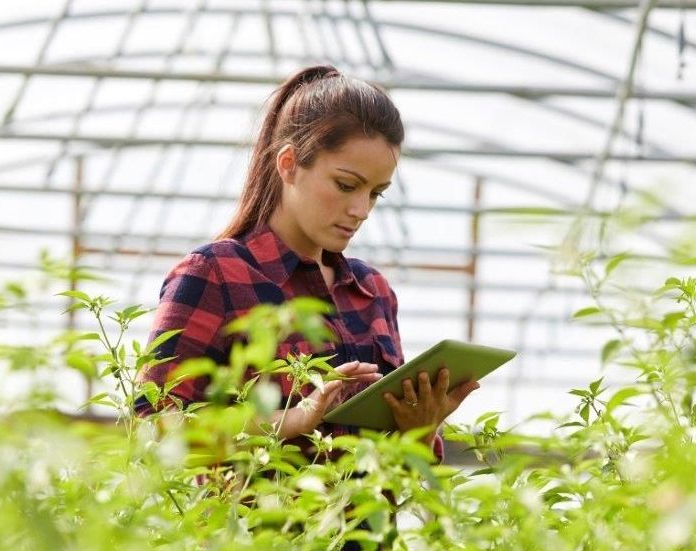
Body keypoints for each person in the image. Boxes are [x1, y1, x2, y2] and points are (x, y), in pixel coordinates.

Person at [134, 63, 479, 465]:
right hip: (246, 527)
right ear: (289, 164)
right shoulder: (216, 274)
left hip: (365, 528)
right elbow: (154, 430)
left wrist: (419, 428)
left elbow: (402, 474)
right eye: (346, 185)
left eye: (376, 194)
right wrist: (292, 419)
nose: (361, 209)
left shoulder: (372, 292)